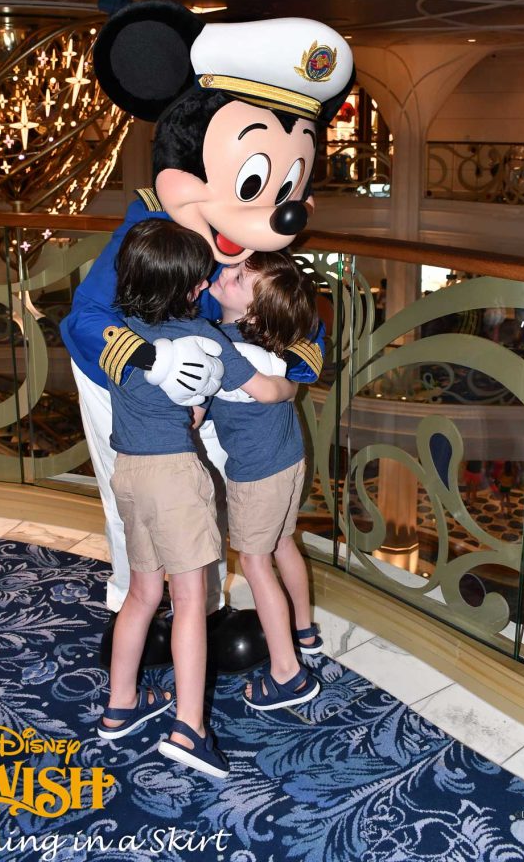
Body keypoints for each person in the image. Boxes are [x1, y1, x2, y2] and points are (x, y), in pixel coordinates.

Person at [61, 0, 354, 669]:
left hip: (229, 391)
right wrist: (149, 361)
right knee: (132, 496)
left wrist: (287, 378)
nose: (277, 208)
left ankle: (206, 605)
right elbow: (84, 319)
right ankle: (135, 599)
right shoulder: (147, 233)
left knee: (219, 494)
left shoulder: (256, 261)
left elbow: (307, 328)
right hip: (130, 389)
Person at [97, 219, 297, 778]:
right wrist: (291, 385)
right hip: (175, 479)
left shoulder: (123, 338)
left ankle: (121, 704)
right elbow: (260, 388)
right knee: (189, 602)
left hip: (129, 474)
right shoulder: (205, 339)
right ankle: (190, 727)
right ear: (189, 291)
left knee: (141, 594)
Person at [207, 251, 323, 710]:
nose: (225, 275)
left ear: (253, 311)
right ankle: (304, 631)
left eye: (237, 277)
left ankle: (287, 674)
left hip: (257, 473)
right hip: (289, 459)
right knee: (284, 544)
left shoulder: (223, 349)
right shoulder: (271, 344)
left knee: (255, 564)